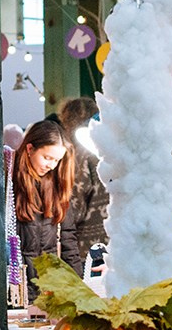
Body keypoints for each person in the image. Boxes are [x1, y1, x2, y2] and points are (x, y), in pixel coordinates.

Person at [8, 118, 75, 289]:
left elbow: (68, 240)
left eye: (56, 160)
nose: (51, 166)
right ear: (30, 149)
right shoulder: (8, 183)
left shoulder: (58, 185)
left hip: (51, 290)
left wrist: (77, 289)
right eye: (47, 157)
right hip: (16, 290)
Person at [56, 96, 109, 270]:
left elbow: (75, 206)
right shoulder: (109, 149)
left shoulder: (80, 154)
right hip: (114, 239)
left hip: (88, 245)